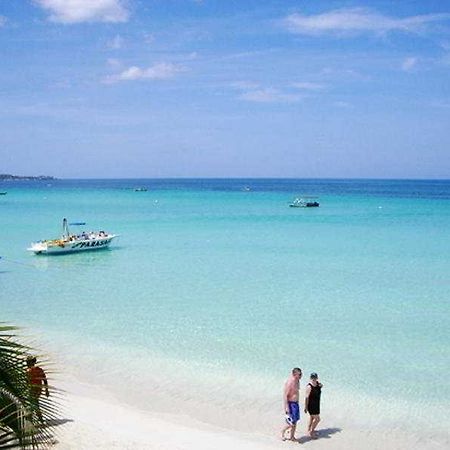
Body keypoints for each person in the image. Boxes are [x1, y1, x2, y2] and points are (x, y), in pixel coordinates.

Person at [281, 367, 302, 441]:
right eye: (299, 374)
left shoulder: (297, 381)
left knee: (295, 421)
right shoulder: (290, 382)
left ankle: (292, 436)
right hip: (290, 404)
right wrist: (287, 408)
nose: (301, 375)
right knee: (290, 423)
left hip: (295, 404)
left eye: (301, 374)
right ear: (294, 374)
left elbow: (296, 392)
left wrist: (298, 402)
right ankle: (283, 432)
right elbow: (285, 395)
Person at [26, 356, 49, 421]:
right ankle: (40, 418)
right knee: (35, 402)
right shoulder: (39, 370)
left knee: (33, 403)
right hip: (39, 389)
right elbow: (45, 380)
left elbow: (27, 382)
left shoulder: (28, 371)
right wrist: (46, 390)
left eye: (27, 362)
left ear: (30, 362)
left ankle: (31, 417)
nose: (26, 363)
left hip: (32, 389)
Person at [304, 372, 322, 438]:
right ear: (310, 378)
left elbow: (320, 386)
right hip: (311, 405)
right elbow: (306, 397)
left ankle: (309, 430)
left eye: (315, 377)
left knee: (312, 418)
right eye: (312, 377)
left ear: (317, 378)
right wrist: (306, 407)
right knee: (317, 419)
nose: (314, 379)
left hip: (317, 404)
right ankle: (311, 432)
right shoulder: (309, 386)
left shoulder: (318, 384)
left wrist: (320, 386)